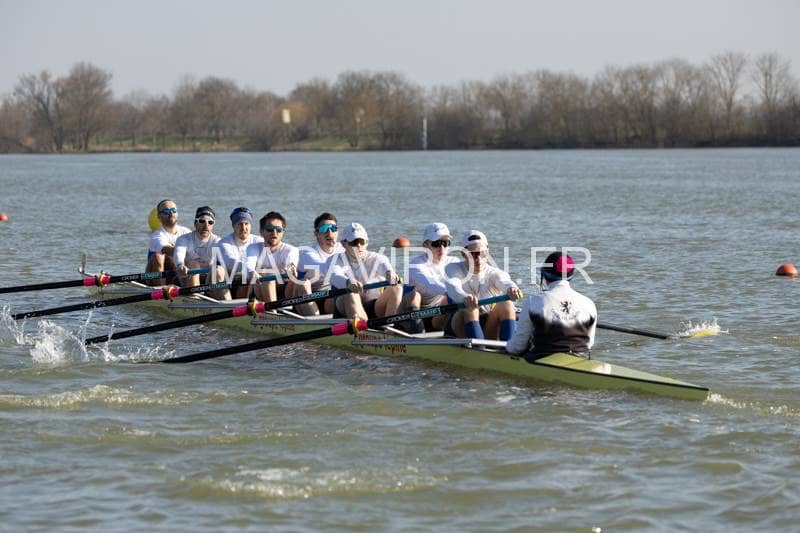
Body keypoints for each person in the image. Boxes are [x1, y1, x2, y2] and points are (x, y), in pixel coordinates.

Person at [506, 251, 597, 361]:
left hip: (541, 361)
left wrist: (507, 348)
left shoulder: (533, 301)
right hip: (580, 361)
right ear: (571, 276)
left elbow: (517, 348)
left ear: (544, 275)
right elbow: (589, 344)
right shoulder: (589, 304)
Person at [444, 230, 522, 340]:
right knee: (471, 309)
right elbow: (453, 288)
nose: (479, 259)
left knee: (507, 304)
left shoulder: (495, 273)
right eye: (473, 254)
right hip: (461, 325)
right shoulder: (453, 268)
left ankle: (509, 347)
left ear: (488, 252)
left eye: (483, 253)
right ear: (463, 254)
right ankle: (479, 347)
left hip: (488, 325)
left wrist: (512, 289)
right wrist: (465, 297)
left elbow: (505, 282)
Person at [330, 222, 402, 321]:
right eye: (354, 242)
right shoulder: (335, 260)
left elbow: (385, 266)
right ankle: (360, 325)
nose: (359, 246)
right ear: (343, 244)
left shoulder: (378, 258)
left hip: (374, 306)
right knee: (351, 292)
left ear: (367, 243)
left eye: (362, 241)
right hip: (346, 306)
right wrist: (348, 282)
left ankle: (391, 325)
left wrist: (389, 273)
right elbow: (334, 275)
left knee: (397, 288)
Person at [398, 223, 460, 333]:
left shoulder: (454, 262)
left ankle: (451, 334)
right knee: (414, 296)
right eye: (436, 243)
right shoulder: (416, 264)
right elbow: (431, 283)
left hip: (436, 315)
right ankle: (417, 335)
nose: (442, 248)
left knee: (453, 297)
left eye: (445, 243)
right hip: (409, 314)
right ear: (425, 245)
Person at [293, 213, 345, 315]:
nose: (329, 232)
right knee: (303, 283)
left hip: (331, 297)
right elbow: (325, 268)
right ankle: (315, 320)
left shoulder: (343, 248)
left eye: (333, 228)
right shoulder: (308, 253)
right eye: (324, 229)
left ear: (337, 232)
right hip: (308, 297)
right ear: (316, 234)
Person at [173, 206, 228, 299]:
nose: (206, 226)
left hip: (207, 280)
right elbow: (179, 253)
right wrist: (180, 265)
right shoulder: (183, 239)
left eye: (210, 222)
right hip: (185, 278)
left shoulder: (218, 241)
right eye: (202, 221)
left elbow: (227, 259)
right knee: (194, 264)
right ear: (195, 223)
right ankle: (195, 298)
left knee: (219, 270)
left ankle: (227, 302)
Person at [245, 211, 299, 303]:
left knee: (300, 281)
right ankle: (272, 310)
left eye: (278, 229)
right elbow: (249, 265)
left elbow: (291, 262)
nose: (274, 232)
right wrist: (252, 272)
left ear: (283, 232)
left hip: (285, 291)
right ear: (261, 232)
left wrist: (291, 268)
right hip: (260, 290)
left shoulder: (291, 250)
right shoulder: (253, 248)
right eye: (270, 229)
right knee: (267, 276)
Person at [218, 207, 264, 298]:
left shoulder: (259, 241)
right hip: (230, 283)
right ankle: (234, 303)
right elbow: (229, 261)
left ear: (250, 225)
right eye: (239, 224)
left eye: (246, 224)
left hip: (253, 281)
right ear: (233, 226)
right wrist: (249, 270)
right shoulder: (224, 242)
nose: (243, 228)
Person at [145, 199, 190, 285]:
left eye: (174, 210)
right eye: (166, 211)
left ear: (177, 213)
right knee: (159, 256)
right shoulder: (157, 235)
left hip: (178, 274)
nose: (171, 213)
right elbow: (166, 249)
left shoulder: (186, 232)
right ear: (159, 216)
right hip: (156, 276)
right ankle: (160, 288)